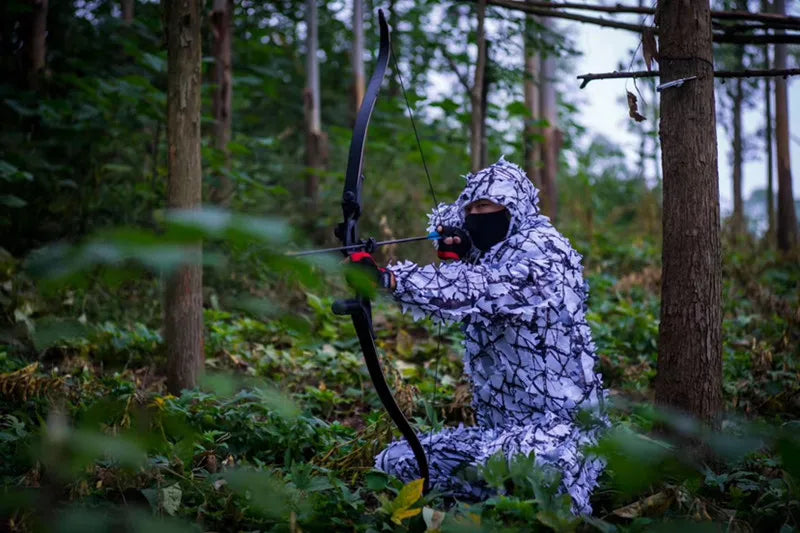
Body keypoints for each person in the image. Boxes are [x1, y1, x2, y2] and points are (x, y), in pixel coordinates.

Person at [350, 157, 606, 515]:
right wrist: (465, 248)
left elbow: (484, 290)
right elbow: (474, 268)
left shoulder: (547, 251)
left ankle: (511, 506)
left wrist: (390, 280)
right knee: (398, 463)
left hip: (561, 436)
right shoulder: (488, 256)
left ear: (513, 206)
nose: (475, 214)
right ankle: (483, 508)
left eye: (485, 205)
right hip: (495, 438)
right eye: (469, 208)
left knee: (538, 468)